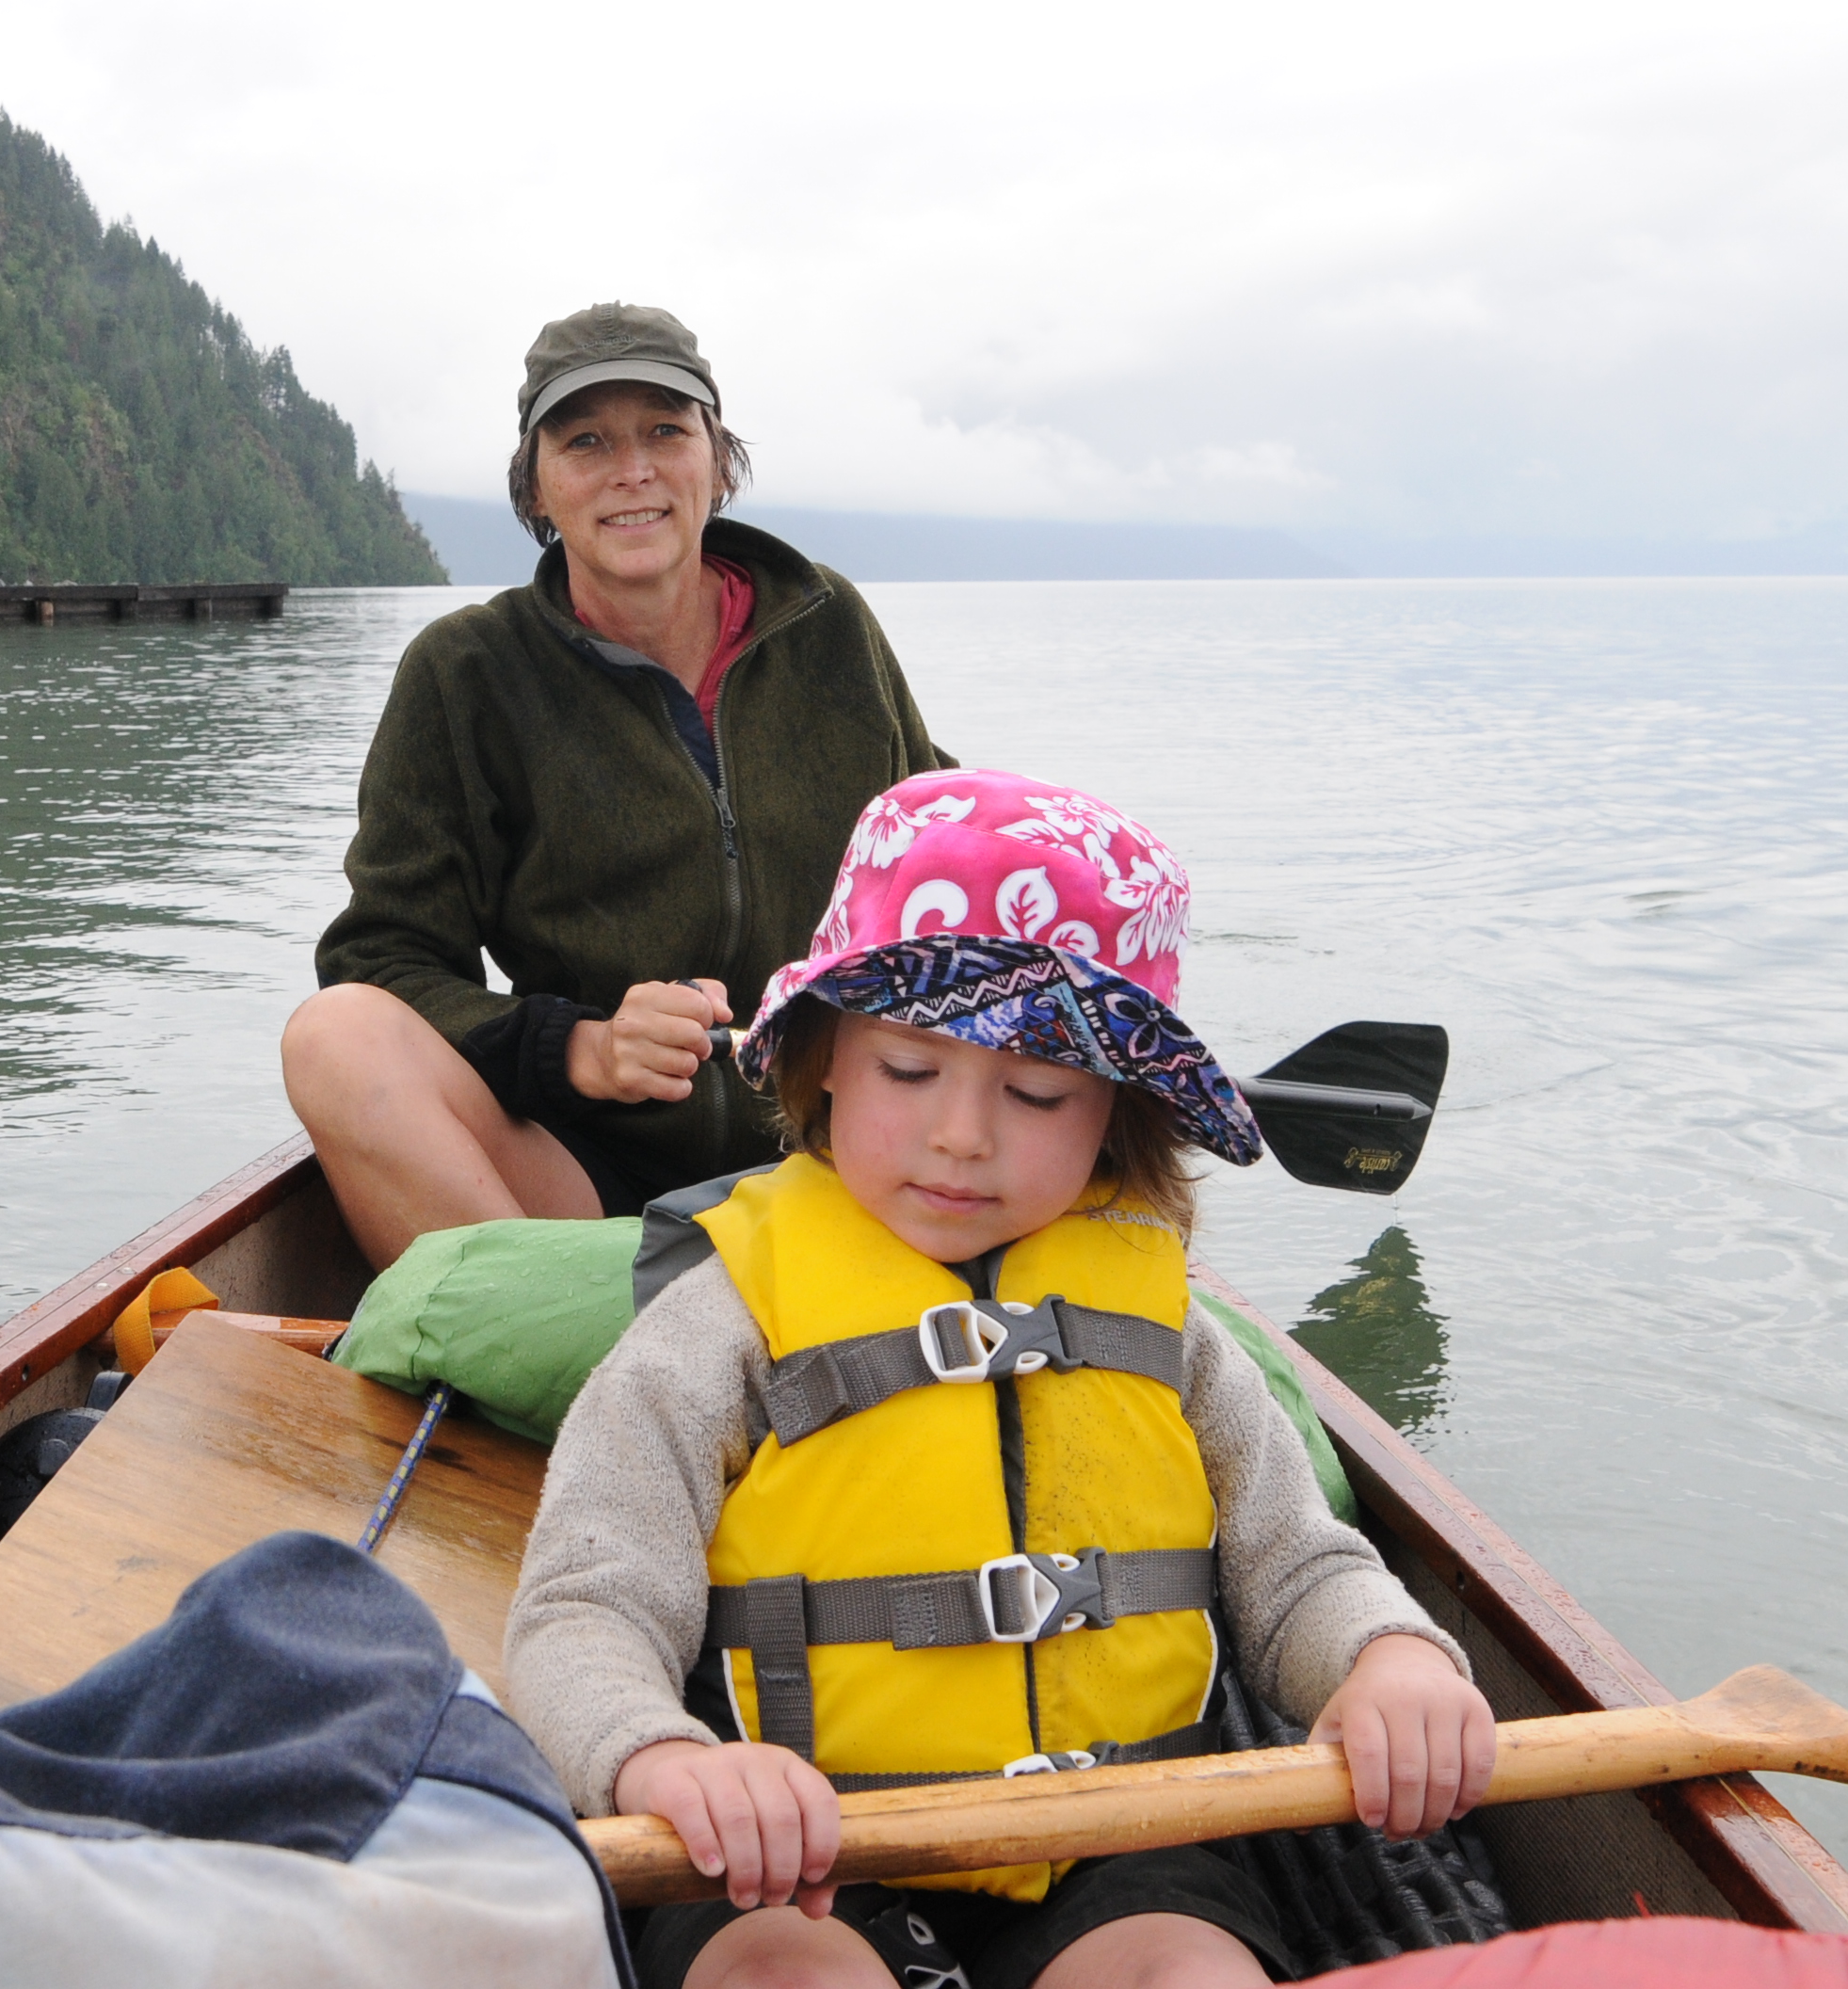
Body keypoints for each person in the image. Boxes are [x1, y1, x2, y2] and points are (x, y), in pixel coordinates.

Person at [502, 772, 1499, 1989]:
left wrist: (1389, 1658)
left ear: (1115, 1113)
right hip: (793, 1849)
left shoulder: (1169, 1329)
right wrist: (659, 1759)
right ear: (825, 1060)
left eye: (1035, 1092)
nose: (962, 1136)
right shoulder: (718, 1326)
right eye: (907, 1071)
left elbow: (1298, 1574)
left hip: (1113, 1842)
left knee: (1189, 1976)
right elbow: (583, 1609)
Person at [288, 305, 949, 1263]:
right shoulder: (465, 672)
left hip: (836, 1160)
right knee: (334, 1037)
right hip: (586, 1186)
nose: (631, 470)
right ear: (535, 486)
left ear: (719, 460)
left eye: (665, 431)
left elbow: (939, 861)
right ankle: (552, 1328)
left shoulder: (830, 626)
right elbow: (381, 959)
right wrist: (583, 1049)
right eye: (585, 441)